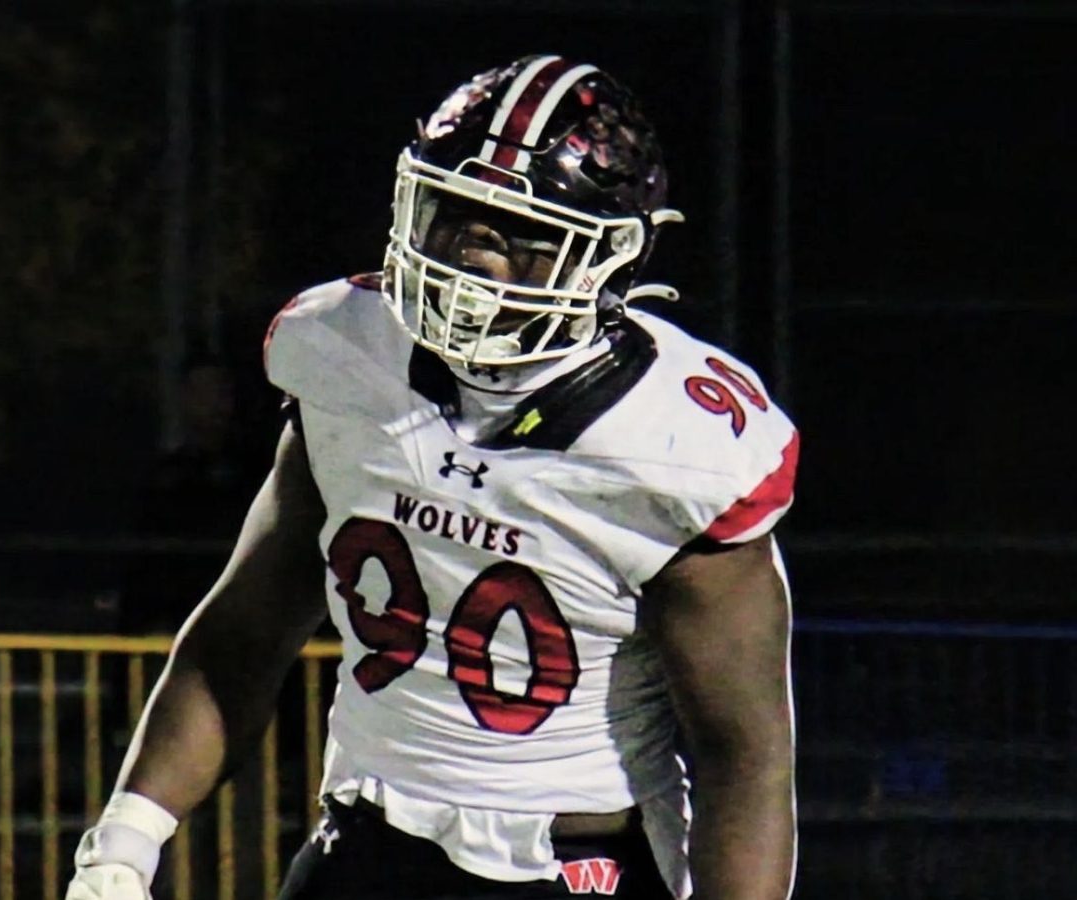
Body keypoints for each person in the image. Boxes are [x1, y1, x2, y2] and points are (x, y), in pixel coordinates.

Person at [65, 54, 800, 900]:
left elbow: (743, 755)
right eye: (454, 213)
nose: (474, 258)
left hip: (570, 866)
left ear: (607, 258)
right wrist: (124, 840)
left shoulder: (677, 444)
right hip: (370, 842)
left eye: (521, 235)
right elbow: (245, 629)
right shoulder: (347, 355)